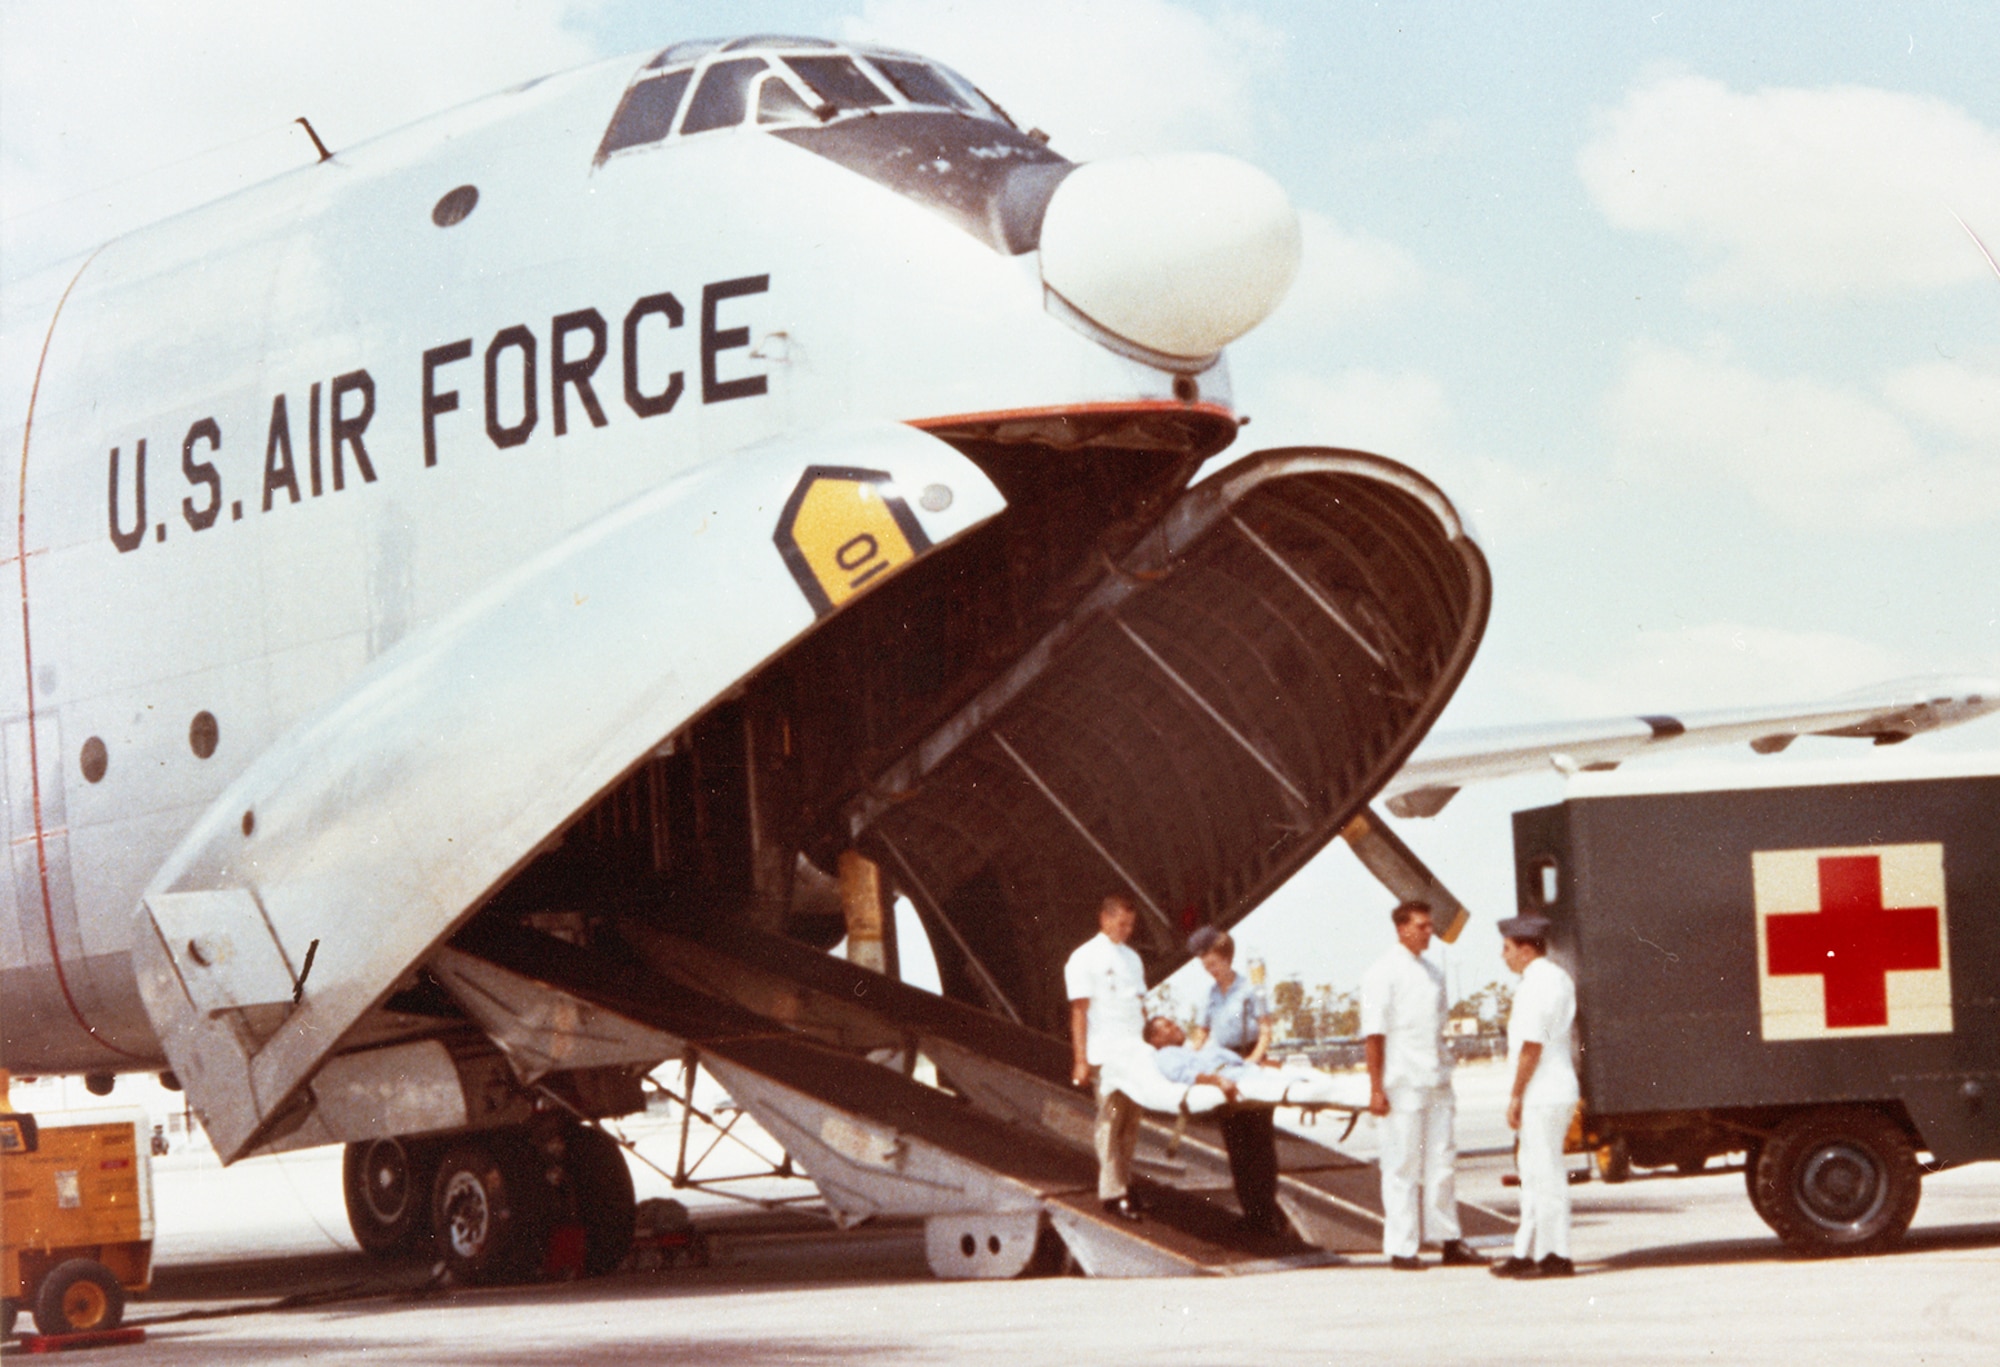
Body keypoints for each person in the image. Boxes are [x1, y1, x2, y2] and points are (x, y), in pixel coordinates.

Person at [1360, 901, 1486, 1270]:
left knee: (1442, 1163)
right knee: (1401, 1165)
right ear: (1401, 929)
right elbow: (1374, 1035)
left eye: (1431, 926)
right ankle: (1401, 1248)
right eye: (1421, 926)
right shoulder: (1381, 973)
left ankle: (1448, 1240)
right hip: (1401, 1083)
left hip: (1435, 1080)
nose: (1429, 932)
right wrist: (1376, 1088)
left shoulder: (1434, 973)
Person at [1490, 914, 1580, 1280]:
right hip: (1547, 1088)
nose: (1503, 955)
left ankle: (1556, 1254)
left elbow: (1531, 1046)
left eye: (1507, 948)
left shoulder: (1539, 984)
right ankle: (1525, 1251)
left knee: (1545, 1175)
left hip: (1542, 1090)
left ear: (1526, 949)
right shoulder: (1551, 978)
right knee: (1532, 1172)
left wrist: (1515, 1095)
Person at [1185, 926, 1281, 1234]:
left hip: (1249, 1058)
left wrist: (1252, 1061)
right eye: (1206, 966)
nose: (1210, 971)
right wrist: (1187, 1055)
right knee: (1236, 1143)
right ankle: (1250, 1212)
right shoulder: (1210, 995)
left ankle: (1267, 1213)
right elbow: (1202, 1032)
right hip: (1224, 1062)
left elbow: (1266, 1030)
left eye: (1214, 964)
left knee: (1259, 1141)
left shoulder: (1252, 989)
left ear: (1227, 959)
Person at [1065, 893, 1149, 1221]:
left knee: (1131, 1123)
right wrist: (1081, 1059)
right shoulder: (1083, 958)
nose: (1126, 930)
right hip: (1106, 1055)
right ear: (1105, 918)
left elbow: (1140, 1006)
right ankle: (1113, 1193)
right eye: (1121, 923)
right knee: (1111, 1121)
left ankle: (1125, 1184)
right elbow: (1079, 1011)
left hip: (1135, 1054)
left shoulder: (1133, 959)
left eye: (1130, 925)